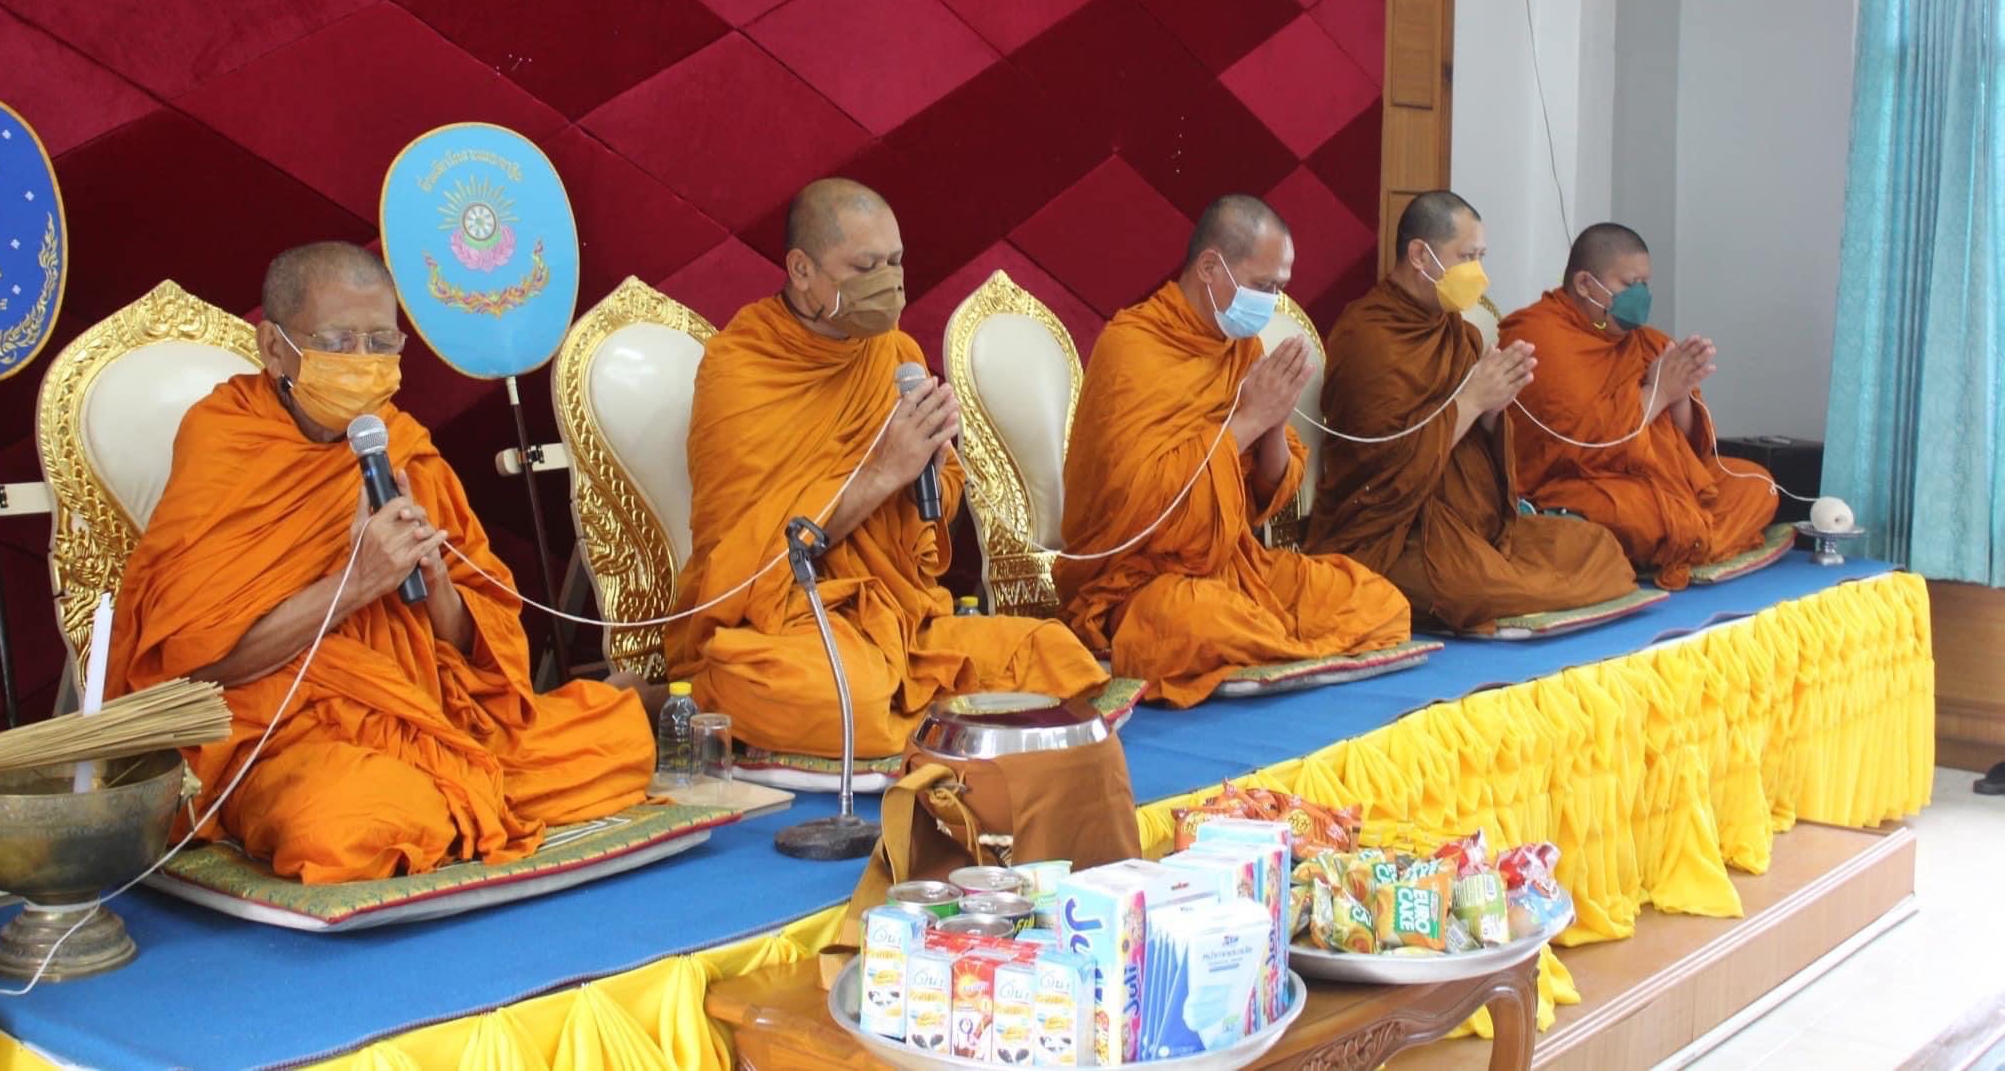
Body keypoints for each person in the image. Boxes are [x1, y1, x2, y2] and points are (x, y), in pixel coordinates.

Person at [108, 242, 652, 884]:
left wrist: (436, 578)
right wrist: (355, 585)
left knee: (617, 742)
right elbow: (192, 667)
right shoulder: (225, 442)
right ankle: (449, 799)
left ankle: (450, 796)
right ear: (274, 347)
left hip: (423, 715)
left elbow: (479, 648)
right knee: (344, 824)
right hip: (281, 735)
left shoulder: (398, 445)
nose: (364, 365)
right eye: (339, 342)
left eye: (381, 343)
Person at [670, 179, 1107, 758]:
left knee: (1058, 656)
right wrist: (880, 473)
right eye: (865, 265)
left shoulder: (896, 355)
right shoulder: (741, 368)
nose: (889, 281)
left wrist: (934, 463)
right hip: (788, 625)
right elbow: (749, 560)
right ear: (801, 269)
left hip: (899, 622)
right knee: (844, 698)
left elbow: (930, 527)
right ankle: (694, 696)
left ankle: (914, 712)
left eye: (896, 261)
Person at [1056, 195, 1412, 706]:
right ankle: (1279, 644)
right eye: (1264, 286)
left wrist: (1272, 423)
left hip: (1235, 567)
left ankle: (1276, 644)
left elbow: (1263, 496)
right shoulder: (1133, 348)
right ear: (1209, 267)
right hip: (1140, 582)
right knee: (1201, 625)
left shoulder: (1242, 348)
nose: (1272, 302)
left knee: (1375, 600)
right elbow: (1141, 504)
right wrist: (1246, 420)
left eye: (1280, 288)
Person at [1304, 192, 1637, 630]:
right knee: (1474, 590)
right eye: (1467, 256)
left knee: (1598, 546)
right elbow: (1379, 472)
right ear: (1421, 255)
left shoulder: (1454, 332)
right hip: (1393, 536)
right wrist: (1472, 401)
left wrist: (1494, 410)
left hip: (1470, 527)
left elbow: (1479, 452)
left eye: (1481, 256)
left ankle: (1505, 575)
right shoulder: (1369, 336)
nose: (1478, 272)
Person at [1500, 222, 1778, 589]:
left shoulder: (1646, 342)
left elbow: (1692, 452)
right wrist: (1658, 392)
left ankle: (1674, 543)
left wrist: (1678, 394)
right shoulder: (1540, 338)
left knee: (1758, 484)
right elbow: (1578, 447)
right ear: (1585, 284)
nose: (1641, 295)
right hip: (1581, 482)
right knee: (1643, 517)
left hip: (1658, 482)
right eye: (1629, 285)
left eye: (1645, 284)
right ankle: (1580, 528)